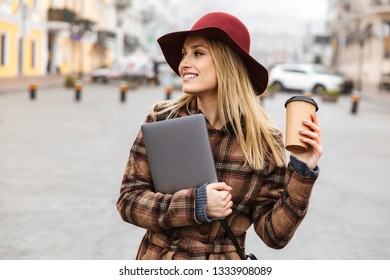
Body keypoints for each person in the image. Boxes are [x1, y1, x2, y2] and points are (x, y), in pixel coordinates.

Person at [116, 12, 322, 260]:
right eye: (184, 54)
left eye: (198, 53)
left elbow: (274, 234)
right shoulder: (161, 120)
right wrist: (196, 204)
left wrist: (302, 168)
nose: (184, 64)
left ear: (227, 63)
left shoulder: (264, 140)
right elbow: (129, 201)